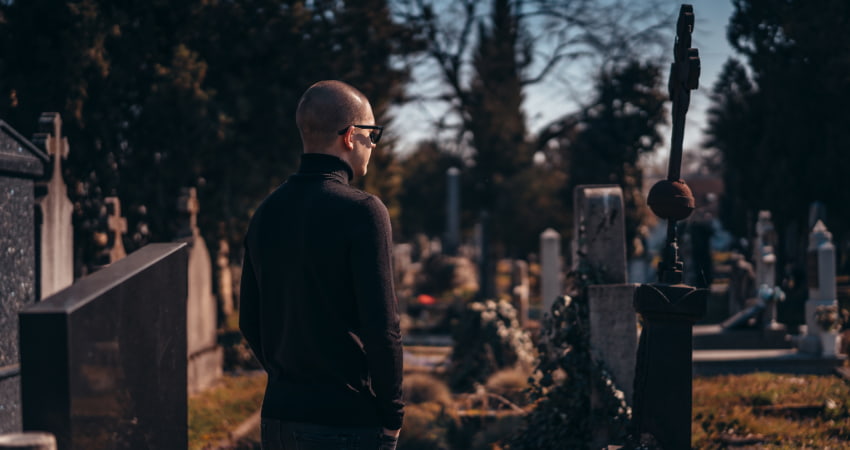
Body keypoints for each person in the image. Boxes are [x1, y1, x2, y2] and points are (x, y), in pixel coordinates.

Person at [239, 80, 403, 449]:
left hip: (279, 417)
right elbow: (382, 328)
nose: (373, 144)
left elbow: (248, 320)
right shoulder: (363, 211)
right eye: (371, 134)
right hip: (344, 422)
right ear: (349, 136)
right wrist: (393, 416)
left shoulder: (265, 211)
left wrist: (292, 380)